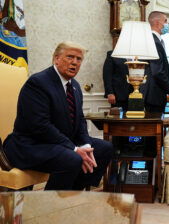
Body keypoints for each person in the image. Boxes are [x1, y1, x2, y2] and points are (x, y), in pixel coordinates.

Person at [2, 41, 114, 190]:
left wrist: (86, 145)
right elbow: (40, 126)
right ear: (56, 59)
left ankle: (73, 195)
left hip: (58, 143)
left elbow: (80, 120)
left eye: (79, 59)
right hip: (30, 145)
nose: (74, 62)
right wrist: (74, 148)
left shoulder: (74, 86)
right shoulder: (38, 83)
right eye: (70, 57)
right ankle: (52, 205)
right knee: (72, 158)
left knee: (104, 148)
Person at [144, 11, 169, 113]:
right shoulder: (154, 41)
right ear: (158, 23)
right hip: (153, 95)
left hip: (153, 94)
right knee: (153, 128)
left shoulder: (152, 40)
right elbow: (157, 71)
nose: (167, 24)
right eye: (165, 21)